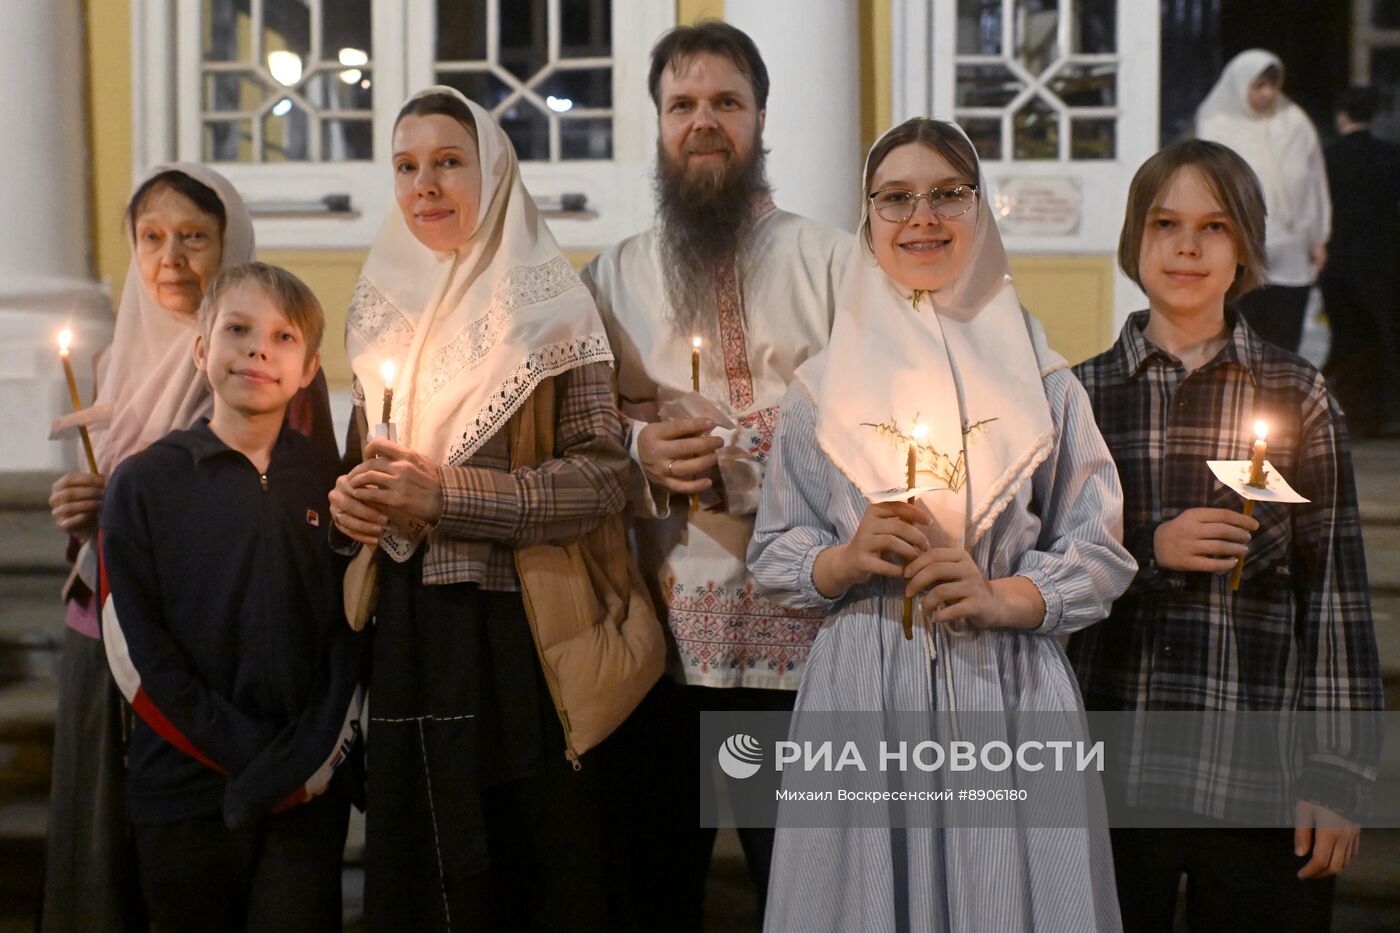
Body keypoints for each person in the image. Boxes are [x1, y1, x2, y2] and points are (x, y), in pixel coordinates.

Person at [748, 117, 1135, 932]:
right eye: (895, 198)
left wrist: (1002, 596)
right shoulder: (819, 392)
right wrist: (846, 558)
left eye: (947, 194)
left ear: (979, 208)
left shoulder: (1045, 383)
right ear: (868, 220)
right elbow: (777, 549)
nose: (921, 217)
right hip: (866, 686)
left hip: (1006, 685)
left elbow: (1098, 549)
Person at [330, 87, 660, 931]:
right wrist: (350, 507)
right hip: (409, 628)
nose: (425, 186)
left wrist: (448, 495)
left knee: (524, 867)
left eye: (449, 162)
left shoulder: (553, 309)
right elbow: (362, 466)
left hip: (519, 628)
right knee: (424, 871)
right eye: (406, 167)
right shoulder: (380, 311)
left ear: (495, 173)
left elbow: (602, 478)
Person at [1069, 140, 1382, 932]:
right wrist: (1147, 551)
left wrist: (1337, 769)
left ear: (1244, 245)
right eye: (1165, 224)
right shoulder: (1078, 398)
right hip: (1109, 770)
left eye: (1214, 226)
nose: (1187, 246)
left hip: (1256, 773)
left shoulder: (1298, 394)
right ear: (1135, 240)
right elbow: (1043, 574)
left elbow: (1335, 597)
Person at [581, 21, 850, 928]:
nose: (704, 121)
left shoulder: (834, 263)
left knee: (803, 899)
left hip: (804, 654)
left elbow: (878, 419)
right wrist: (641, 450)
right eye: (683, 104)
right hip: (655, 655)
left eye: (726, 103)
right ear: (657, 122)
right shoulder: (609, 278)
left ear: (760, 118)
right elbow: (579, 433)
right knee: (652, 897)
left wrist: (759, 442)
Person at [42, 164, 334, 933]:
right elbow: (128, 500)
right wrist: (86, 509)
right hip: (133, 643)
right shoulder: (112, 363)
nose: (170, 258)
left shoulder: (271, 357)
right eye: (152, 238)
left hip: (247, 655)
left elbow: (300, 521)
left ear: (229, 243)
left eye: (194, 237)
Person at [99, 262, 363, 932]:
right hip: (185, 787)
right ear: (201, 349)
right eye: (237, 330)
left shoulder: (332, 484)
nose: (258, 350)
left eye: (282, 337)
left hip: (305, 788)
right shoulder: (144, 483)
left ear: (308, 369)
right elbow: (139, 647)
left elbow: (349, 630)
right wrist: (250, 755)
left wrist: (305, 759)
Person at [1195, 49, 1330, 353]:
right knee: (1237, 337)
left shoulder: (1294, 122)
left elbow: (1314, 182)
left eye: (1272, 85)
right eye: (1258, 86)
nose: (1268, 93)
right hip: (1238, 249)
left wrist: (1319, 237)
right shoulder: (1217, 124)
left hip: (1291, 247)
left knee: (1284, 337)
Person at [1320, 86, 1400, 438]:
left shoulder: (1328, 157)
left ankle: (1351, 412)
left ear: (1342, 116)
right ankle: (1383, 412)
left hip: (1338, 260)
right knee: (1383, 337)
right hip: (1385, 261)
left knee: (1347, 336)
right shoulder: (1391, 155)